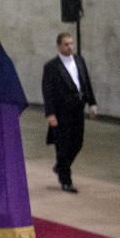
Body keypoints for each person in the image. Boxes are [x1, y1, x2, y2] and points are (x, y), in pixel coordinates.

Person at [41, 32, 97, 193]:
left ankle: (60, 167)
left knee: (77, 142)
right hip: (61, 111)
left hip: (77, 109)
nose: (70, 46)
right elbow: (48, 91)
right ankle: (66, 181)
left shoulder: (80, 60)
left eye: (71, 43)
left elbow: (86, 82)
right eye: (66, 44)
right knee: (62, 146)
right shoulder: (51, 66)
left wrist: (92, 103)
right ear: (59, 46)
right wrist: (50, 114)